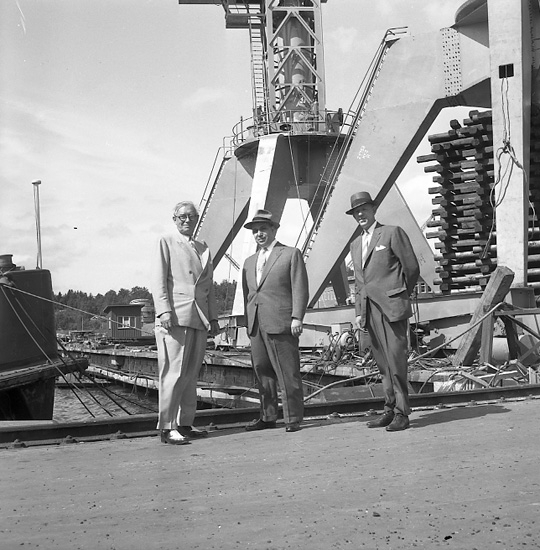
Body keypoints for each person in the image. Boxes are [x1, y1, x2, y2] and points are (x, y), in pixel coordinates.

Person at [347, 191, 420, 432]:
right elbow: (360, 283)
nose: (360, 214)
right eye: (356, 211)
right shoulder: (355, 244)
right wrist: (359, 312)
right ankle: (389, 409)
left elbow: (411, 268)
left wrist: (398, 294)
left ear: (374, 209)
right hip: (369, 310)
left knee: (396, 360)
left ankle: (402, 413)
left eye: (364, 209)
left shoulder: (391, 233)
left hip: (391, 308)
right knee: (382, 363)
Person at [152, 201, 220, 445]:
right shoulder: (166, 242)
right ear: (174, 219)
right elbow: (159, 280)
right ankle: (167, 427)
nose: (187, 220)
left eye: (191, 216)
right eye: (182, 216)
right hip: (176, 317)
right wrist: (164, 311)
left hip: (198, 317)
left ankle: (185, 423)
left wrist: (213, 316)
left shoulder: (203, 248)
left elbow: (209, 287)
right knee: (173, 372)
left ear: (197, 218)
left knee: (190, 374)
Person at [241, 209, 309, 433]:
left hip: (281, 321)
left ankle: (292, 418)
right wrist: (248, 321)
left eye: (263, 229)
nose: (259, 234)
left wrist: (297, 317)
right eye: (255, 231)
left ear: (273, 229)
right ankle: (268, 416)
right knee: (262, 370)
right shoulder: (249, 262)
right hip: (256, 324)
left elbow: (300, 287)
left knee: (287, 371)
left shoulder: (290, 254)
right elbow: (248, 294)